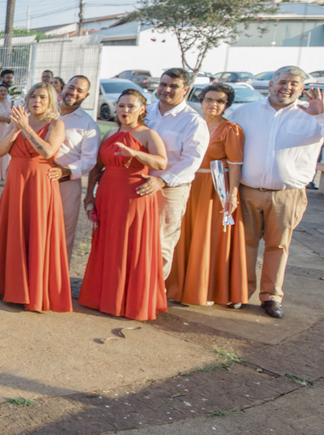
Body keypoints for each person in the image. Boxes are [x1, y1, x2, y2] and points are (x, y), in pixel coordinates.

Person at [227, 66, 324, 318]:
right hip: (248, 191)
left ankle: (270, 297)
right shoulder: (244, 112)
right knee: (243, 245)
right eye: (283, 82)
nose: (287, 87)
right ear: (271, 84)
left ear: (301, 89)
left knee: (277, 246)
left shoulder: (313, 115)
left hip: (287, 194)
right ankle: (239, 292)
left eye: (294, 84)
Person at [79, 89, 170, 321]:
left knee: (130, 244)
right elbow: (96, 168)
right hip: (108, 194)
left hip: (135, 196)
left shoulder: (148, 134)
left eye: (130, 106)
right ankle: (103, 297)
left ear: (142, 109)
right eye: (121, 106)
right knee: (108, 242)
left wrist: (136, 154)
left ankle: (129, 300)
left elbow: (161, 162)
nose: (125, 110)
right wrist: (90, 196)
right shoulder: (109, 133)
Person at [0, 82, 71, 312]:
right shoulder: (19, 122)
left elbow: (48, 151)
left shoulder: (56, 124)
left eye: (42, 97)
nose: (36, 101)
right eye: (33, 96)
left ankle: (35, 291)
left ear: (50, 100)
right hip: (16, 182)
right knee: (13, 232)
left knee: (37, 232)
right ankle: (9, 287)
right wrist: (15, 128)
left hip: (40, 184)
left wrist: (27, 128)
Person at [167, 83, 249, 308]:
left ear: (226, 105)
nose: (213, 104)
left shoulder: (231, 129)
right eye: (209, 99)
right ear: (201, 101)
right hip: (189, 184)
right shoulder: (192, 123)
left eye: (220, 101)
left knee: (208, 237)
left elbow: (235, 166)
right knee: (183, 235)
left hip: (214, 187)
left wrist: (232, 194)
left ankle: (206, 289)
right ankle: (178, 288)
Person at [144, 68, 210, 279]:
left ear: (186, 90)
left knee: (161, 242)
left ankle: (153, 294)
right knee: (136, 239)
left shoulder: (192, 121)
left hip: (169, 189)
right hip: (138, 185)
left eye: (173, 86)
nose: (167, 90)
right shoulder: (145, 112)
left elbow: (191, 160)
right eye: (163, 84)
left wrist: (162, 181)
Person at [48, 76, 101, 258]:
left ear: (86, 95)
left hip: (66, 183)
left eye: (80, 90)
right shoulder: (45, 110)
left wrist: (65, 170)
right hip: (37, 180)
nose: (74, 92)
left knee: (63, 232)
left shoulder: (88, 125)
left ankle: (56, 281)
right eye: (71, 87)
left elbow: (89, 160)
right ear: (64, 87)